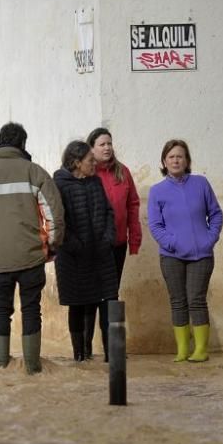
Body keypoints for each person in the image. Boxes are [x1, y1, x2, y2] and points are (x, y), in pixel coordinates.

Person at [0, 122, 64, 374]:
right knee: (31, 308)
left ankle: (1, 365)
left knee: (0, 309)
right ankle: (32, 368)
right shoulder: (35, 172)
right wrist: (51, 246)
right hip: (32, 257)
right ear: (22, 144)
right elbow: (54, 215)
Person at [148, 139, 223, 362]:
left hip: (202, 254)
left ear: (187, 160)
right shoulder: (157, 191)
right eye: (171, 156)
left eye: (180, 156)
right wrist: (171, 243)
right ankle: (182, 349)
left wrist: (209, 239)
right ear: (164, 161)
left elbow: (216, 214)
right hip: (171, 256)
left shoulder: (201, 183)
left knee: (196, 299)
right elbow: (155, 225)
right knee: (178, 300)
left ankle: (201, 349)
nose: (175, 160)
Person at [53, 141, 119, 362]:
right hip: (73, 258)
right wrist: (76, 246)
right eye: (90, 160)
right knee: (78, 305)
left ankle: (113, 357)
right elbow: (58, 222)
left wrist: (108, 238)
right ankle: (80, 356)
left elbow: (109, 212)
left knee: (108, 301)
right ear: (76, 162)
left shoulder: (95, 182)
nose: (95, 163)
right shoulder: (59, 185)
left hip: (101, 255)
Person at [86, 127, 142, 358]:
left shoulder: (123, 171)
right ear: (91, 148)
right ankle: (85, 352)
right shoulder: (86, 173)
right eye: (102, 144)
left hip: (117, 244)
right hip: (91, 246)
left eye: (109, 143)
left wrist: (134, 239)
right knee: (89, 295)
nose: (107, 147)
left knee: (111, 295)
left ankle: (114, 351)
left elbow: (133, 205)